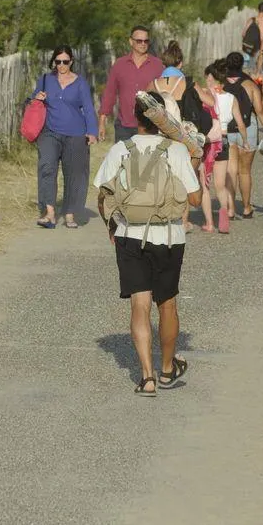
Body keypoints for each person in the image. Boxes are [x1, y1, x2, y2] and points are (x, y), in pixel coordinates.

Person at [94, 93, 201, 395]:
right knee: (167, 304)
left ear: (134, 116)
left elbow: (103, 194)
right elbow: (195, 199)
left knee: (139, 306)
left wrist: (111, 225)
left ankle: (147, 377)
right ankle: (167, 368)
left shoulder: (121, 149)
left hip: (130, 234)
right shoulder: (177, 151)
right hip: (168, 236)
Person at [31, 46, 98, 228]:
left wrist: (92, 131)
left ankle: (70, 213)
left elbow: (88, 108)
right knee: (46, 167)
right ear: (54, 61)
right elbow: (32, 101)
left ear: (72, 62)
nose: (61, 65)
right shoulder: (46, 80)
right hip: (50, 132)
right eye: (58, 61)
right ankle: (50, 213)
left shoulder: (80, 83)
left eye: (65, 62)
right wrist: (37, 97)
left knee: (75, 174)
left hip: (75, 134)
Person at [99, 26, 164, 144]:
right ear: (131, 41)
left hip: (149, 127)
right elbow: (110, 93)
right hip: (124, 127)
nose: (143, 44)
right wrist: (102, 121)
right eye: (139, 41)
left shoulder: (158, 65)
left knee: (147, 163)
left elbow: (165, 94)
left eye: (146, 41)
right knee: (124, 162)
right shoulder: (119, 65)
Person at [205, 59, 248, 232]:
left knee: (204, 183)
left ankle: (209, 222)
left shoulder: (205, 95)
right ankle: (224, 215)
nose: (207, 80)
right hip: (223, 140)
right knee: (220, 184)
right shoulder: (231, 98)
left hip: (208, 140)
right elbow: (241, 123)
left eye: (208, 77)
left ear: (213, 78)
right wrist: (244, 141)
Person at [223, 51, 263, 218]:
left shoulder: (221, 84)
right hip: (248, 128)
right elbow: (260, 111)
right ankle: (247, 207)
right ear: (242, 65)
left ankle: (231, 208)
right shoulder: (250, 84)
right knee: (245, 171)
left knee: (230, 170)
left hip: (228, 130)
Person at [242, 2, 263, 74]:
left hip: (250, 49)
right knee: (260, 74)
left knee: (248, 72)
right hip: (262, 52)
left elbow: (243, 34)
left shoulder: (251, 20)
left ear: (258, 9)